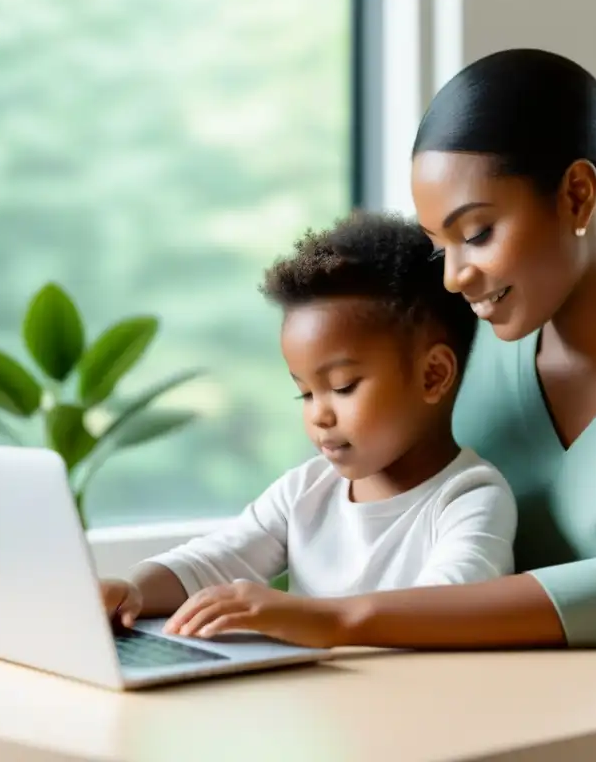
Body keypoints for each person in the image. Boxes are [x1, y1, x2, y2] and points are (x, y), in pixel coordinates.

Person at [148, 47, 596, 676]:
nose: (452, 278)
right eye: (439, 245)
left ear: (578, 195)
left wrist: (336, 619)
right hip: (530, 722)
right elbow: (354, 501)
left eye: (477, 232)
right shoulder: (471, 349)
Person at [98, 212, 518, 633]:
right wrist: (132, 589)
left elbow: (452, 606)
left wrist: (303, 616)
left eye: (343, 386)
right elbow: (214, 561)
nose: (319, 414)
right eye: (305, 392)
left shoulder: (470, 498)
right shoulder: (306, 491)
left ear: (433, 376)